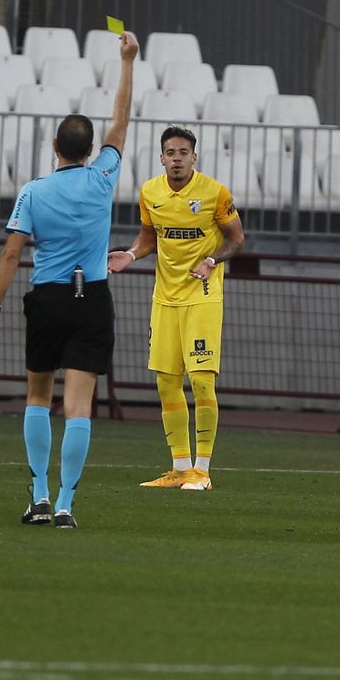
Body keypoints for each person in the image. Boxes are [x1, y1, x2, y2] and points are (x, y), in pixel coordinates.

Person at [0, 30, 139, 529]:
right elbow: (121, 121)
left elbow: (11, 252)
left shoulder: (33, 191)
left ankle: (40, 497)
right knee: (78, 407)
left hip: (47, 299)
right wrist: (127, 62)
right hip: (91, 298)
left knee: (37, 397)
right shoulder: (103, 177)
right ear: (92, 149)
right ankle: (67, 503)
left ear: (55, 147)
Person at [109, 126, 246, 492]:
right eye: (170, 153)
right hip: (164, 299)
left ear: (194, 157)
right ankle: (180, 468)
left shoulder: (215, 193)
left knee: (201, 380)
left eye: (183, 153)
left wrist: (212, 260)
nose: (177, 159)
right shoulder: (150, 192)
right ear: (161, 158)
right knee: (166, 381)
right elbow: (148, 237)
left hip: (202, 296)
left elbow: (237, 239)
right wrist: (131, 254)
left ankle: (203, 471)